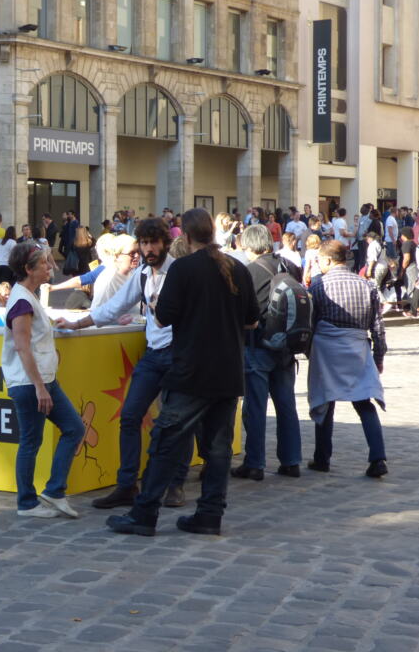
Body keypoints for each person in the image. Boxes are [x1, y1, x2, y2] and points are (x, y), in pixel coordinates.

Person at [106, 208, 259, 537]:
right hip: (228, 371)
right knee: (217, 449)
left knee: (165, 440)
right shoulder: (238, 268)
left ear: (185, 237)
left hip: (192, 370)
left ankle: (144, 513)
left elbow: (162, 318)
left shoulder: (184, 269)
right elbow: (252, 320)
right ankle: (209, 514)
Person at [56, 219, 192, 508]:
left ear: (165, 243)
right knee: (129, 416)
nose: (148, 249)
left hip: (179, 354)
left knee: (175, 423)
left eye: (154, 242)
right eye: (144, 243)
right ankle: (127, 484)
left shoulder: (180, 271)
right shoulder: (142, 273)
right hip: (154, 354)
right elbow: (112, 307)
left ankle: (176, 484)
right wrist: (78, 323)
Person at [1, 241, 84, 518]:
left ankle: (53, 491)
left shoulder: (27, 296)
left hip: (40, 380)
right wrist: (39, 387)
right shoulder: (22, 300)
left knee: (72, 428)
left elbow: (31, 338)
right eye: (45, 263)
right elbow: (22, 346)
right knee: (32, 441)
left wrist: (52, 323)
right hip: (31, 383)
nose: (51, 267)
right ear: (28, 268)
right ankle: (27, 502)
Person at [306, 241, 388, 478]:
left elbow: (310, 322)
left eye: (320, 260)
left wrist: (307, 350)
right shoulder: (366, 285)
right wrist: (379, 355)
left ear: (329, 260)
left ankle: (322, 458)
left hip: (327, 349)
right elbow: (377, 325)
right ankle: (378, 457)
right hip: (357, 347)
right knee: (364, 401)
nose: (319, 265)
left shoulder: (319, 286)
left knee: (325, 400)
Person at [228, 224, 302, 482]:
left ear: (249, 246)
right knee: (287, 406)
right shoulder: (289, 266)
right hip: (285, 348)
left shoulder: (248, 272)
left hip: (257, 346)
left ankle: (255, 463)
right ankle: (291, 461)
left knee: (256, 408)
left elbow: (242, 311)